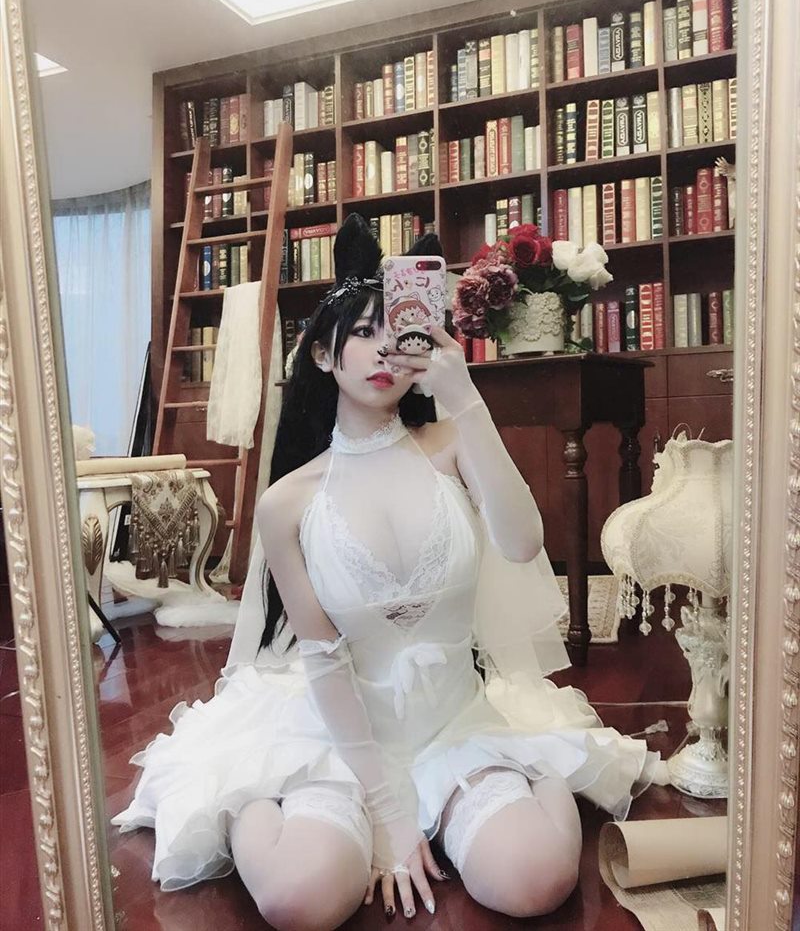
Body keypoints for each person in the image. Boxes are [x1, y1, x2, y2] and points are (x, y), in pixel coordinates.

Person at [113, 214, 661, 930]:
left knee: (535, 880)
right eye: (362, 332)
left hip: (455, 724)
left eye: (397, 329)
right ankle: (249, 793)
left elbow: (525, 542)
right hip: (341, 734)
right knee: (299, 900)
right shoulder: (288, 502)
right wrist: (388, 809)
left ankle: (534, 772)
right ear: (322, 355)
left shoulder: (452, 442)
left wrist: (465, 396)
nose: (382, 349)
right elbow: (323, 656)